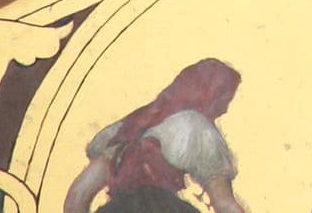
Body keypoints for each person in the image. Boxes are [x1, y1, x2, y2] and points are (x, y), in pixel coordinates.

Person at [63, 58, 248, 213]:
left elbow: (77, 196)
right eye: (223, 101)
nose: (224, 110)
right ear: (207, 95)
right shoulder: (194, 126)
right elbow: (224, 204)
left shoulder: (127, 127)